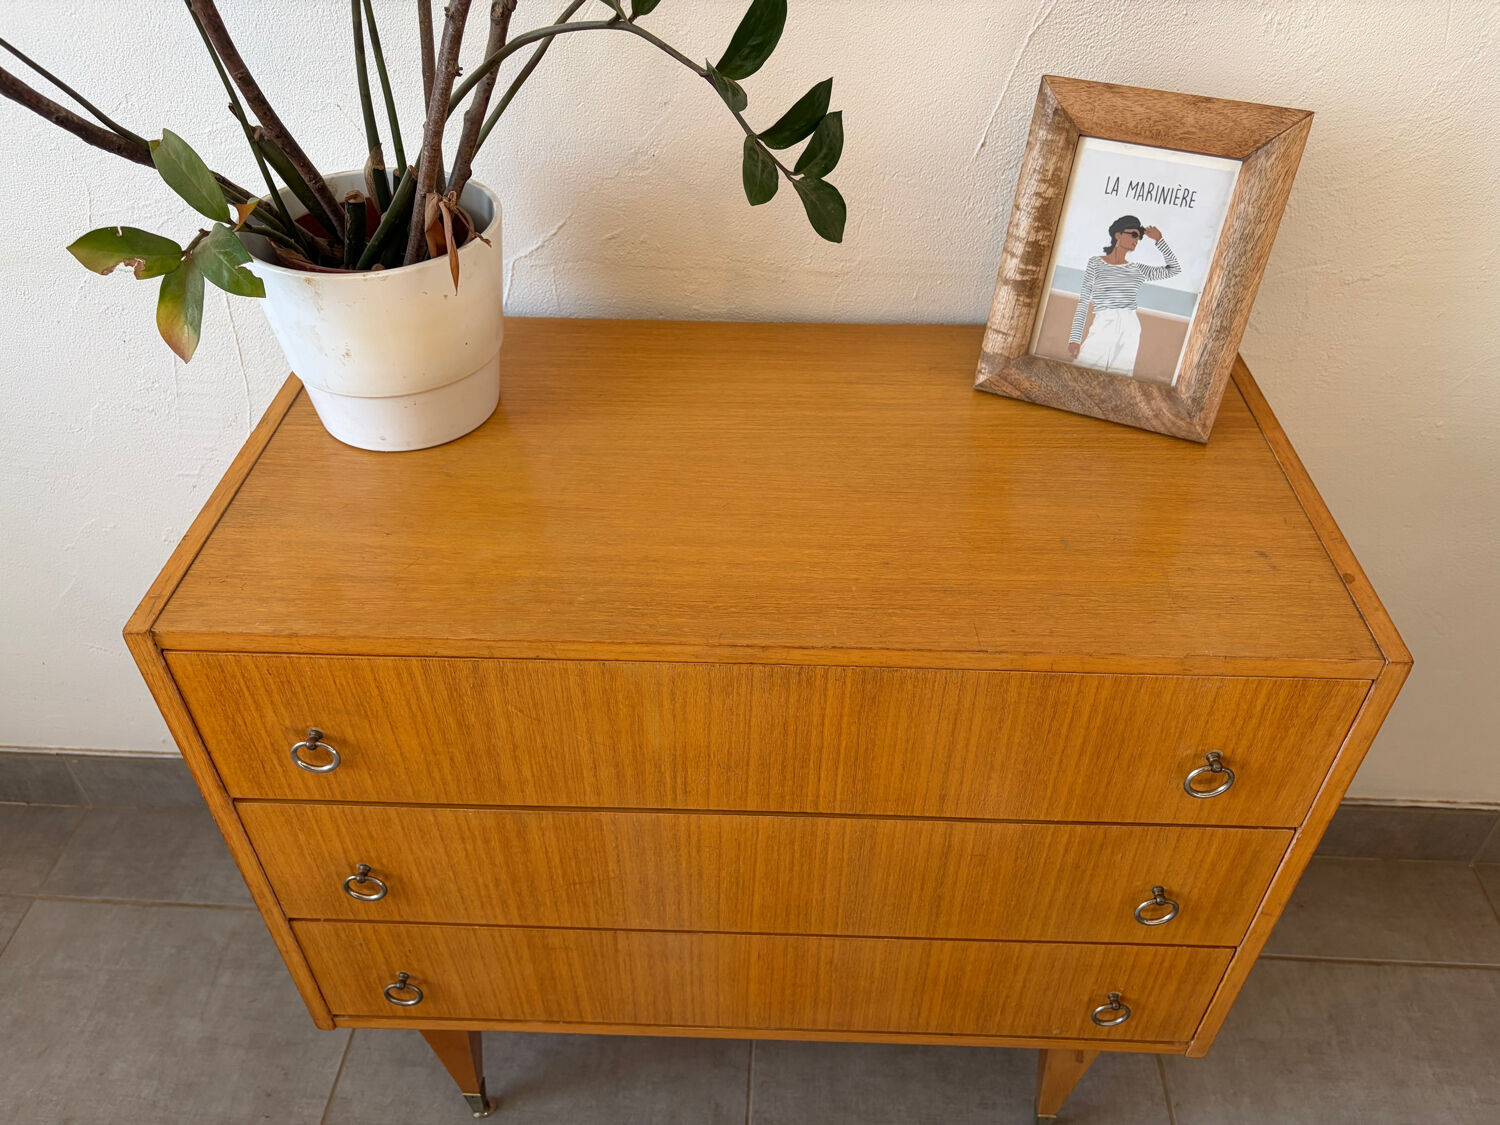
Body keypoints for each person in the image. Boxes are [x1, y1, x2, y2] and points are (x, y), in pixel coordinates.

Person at [1067, 215, 1179, 377]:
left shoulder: (1138, 269)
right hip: (1104, 322)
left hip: (1130, 325)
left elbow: (1174, 269)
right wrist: (1075, 339)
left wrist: (1159, 240)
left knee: (1120, 376)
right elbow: (1084, 301)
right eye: (1133, 234)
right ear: (1118, 235)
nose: (1137, 239)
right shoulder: (1095, 263)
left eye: (1139, 237)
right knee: (1083, 371)